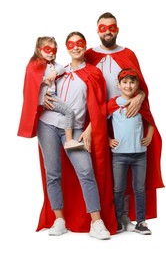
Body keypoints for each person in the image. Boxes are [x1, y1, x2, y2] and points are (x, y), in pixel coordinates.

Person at [18, 32, 117, 239]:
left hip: (77, 128)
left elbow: (98, 106)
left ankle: (96, 222)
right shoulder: (57, 70)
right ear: (66, 47)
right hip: (48, 125)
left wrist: (90, 129)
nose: (75, 47)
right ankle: (59, 219)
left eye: (79, 44)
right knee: (52, 173)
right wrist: (41, 98)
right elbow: (33, 87)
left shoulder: (92, 73)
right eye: (71, 44)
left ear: (85, 46)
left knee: (86, 171)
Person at [85, 12, 164, 232]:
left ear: (117, 29)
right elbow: (77, 73)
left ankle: (129, 217)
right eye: (103, 28)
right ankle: (105, 218)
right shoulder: (90, 55)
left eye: (111, 27)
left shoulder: (128, 54)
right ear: (97, 30)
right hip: (101, 117)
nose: (107, 31)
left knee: (131, 177)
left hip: (129, 117)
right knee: (102, 171)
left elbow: (142, 86)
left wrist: (138, 96)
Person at [108, 68, 157, 235]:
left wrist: (149, 136)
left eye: (132, 82)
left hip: (139, 155)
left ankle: (141, 222)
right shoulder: (113, 104)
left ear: (136, 84)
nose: (128, 86)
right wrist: (108, 140)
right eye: (125, 82)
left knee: (139, 189)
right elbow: (101, 123)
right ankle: (118, 221)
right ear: (119, 84)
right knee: (118, 189)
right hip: (119, 154)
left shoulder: (140, 103)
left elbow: (150, 121)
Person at [18, 36, 83, 149]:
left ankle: (68, 139)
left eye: (54, 50)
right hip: (49, 98)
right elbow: (32, 83)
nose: (51, 53)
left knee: (67, 111)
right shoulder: (35, 65)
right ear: (39, 50)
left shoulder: (52, 64)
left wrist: (54, 71)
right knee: (69, 112)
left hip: (53, 96)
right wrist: (42, 96)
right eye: (48, 50)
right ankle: (69, 140)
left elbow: (62, 68)